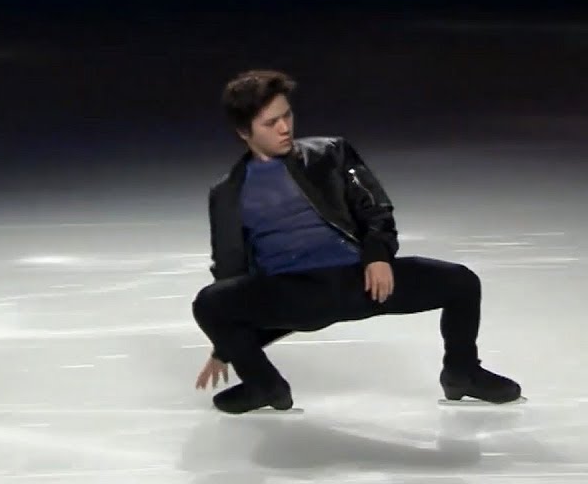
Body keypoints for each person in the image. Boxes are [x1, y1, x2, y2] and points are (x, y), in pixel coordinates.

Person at [190, 69, 522, 414]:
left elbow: (374, 208)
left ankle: (462, 372)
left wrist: (377, 256)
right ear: (244, 131)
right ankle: (263, 385)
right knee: (210, 302)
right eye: (270, 123)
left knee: (461, 282)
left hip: (359, 281)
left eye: (287, 115)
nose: (285, 128)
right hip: (292, 294)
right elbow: (230, 271)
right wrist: (227, 347)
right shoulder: (227, 194)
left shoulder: (330, 153)